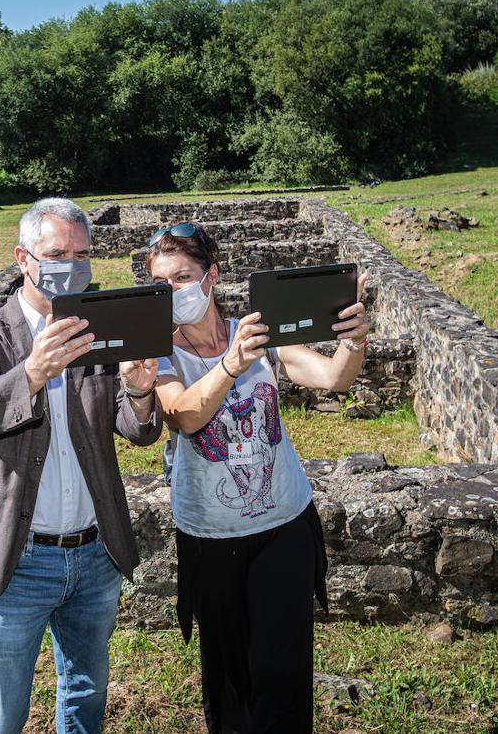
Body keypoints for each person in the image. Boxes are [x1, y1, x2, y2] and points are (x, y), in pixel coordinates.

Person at [0, 197, 164, 734]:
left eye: (82, 254)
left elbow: (136, 430)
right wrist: (31, 373)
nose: (73, 265)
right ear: (23, 258)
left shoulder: (100, 324)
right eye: (58, 253)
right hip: (17, 556)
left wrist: (140, 392)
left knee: (86, 693)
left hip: (93, 553)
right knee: (1, 712)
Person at [146, 223, 370, 734]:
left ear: (211, 276)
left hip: (284, 526)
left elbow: (332, 378)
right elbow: (182, 414)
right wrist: (229, 364)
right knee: (229, 680)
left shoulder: (256, 334)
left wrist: (354, 343)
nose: (176, 291)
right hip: (211, 536)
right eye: (164, 283)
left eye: (185, 277)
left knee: (284, 672)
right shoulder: (158, 352)